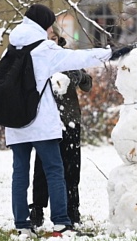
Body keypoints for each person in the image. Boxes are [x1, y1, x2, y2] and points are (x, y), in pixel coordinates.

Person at [5, 3, 123, 238]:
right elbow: (78, 57)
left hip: (16, 121)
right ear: (43, 24)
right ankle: (60, 222)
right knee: (55, 170)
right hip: (40, 122)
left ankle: (22, 224)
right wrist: (110, 52)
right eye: (50, 25)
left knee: (20, 172)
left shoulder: (12, 46)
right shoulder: (44, 49)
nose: (52, 30)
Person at [29, 23, 91, 228]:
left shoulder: (66, 57)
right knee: (42, 166)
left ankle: (73, 208)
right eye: (47, 37)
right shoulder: (35, 58)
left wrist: (77, 75)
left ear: (59, 40)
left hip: (69, 119)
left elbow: (87, 82)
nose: (50, 41)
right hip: (45, 120)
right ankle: (37, 208)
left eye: (54, 38)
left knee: (71, 166)